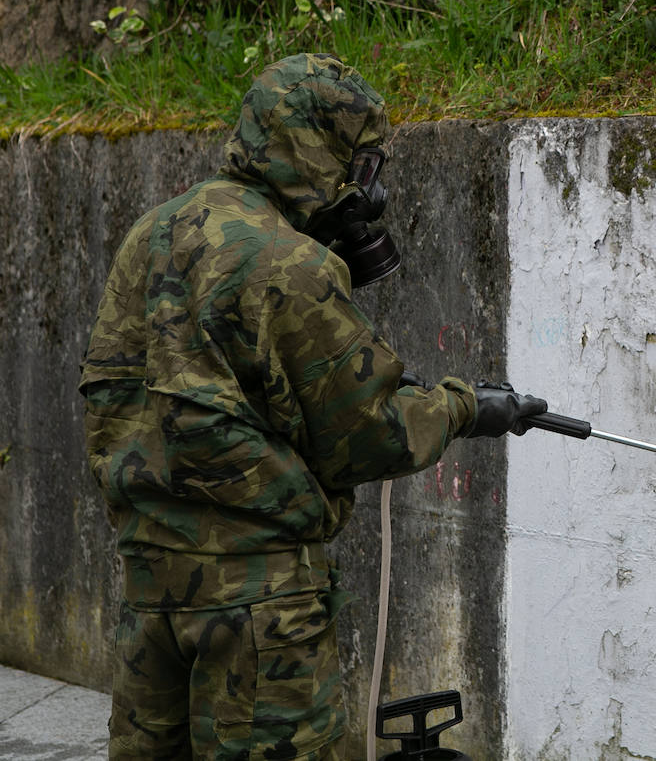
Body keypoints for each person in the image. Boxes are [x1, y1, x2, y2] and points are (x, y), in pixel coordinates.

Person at [79, 53, 547, 760]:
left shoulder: (154, 232)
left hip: (151, 595)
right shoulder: (291, 266)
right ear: (315, 150)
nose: (367, 188)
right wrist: (464, 407)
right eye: (358, 165)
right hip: (260, 617)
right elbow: (372, 435)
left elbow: (115, 392)